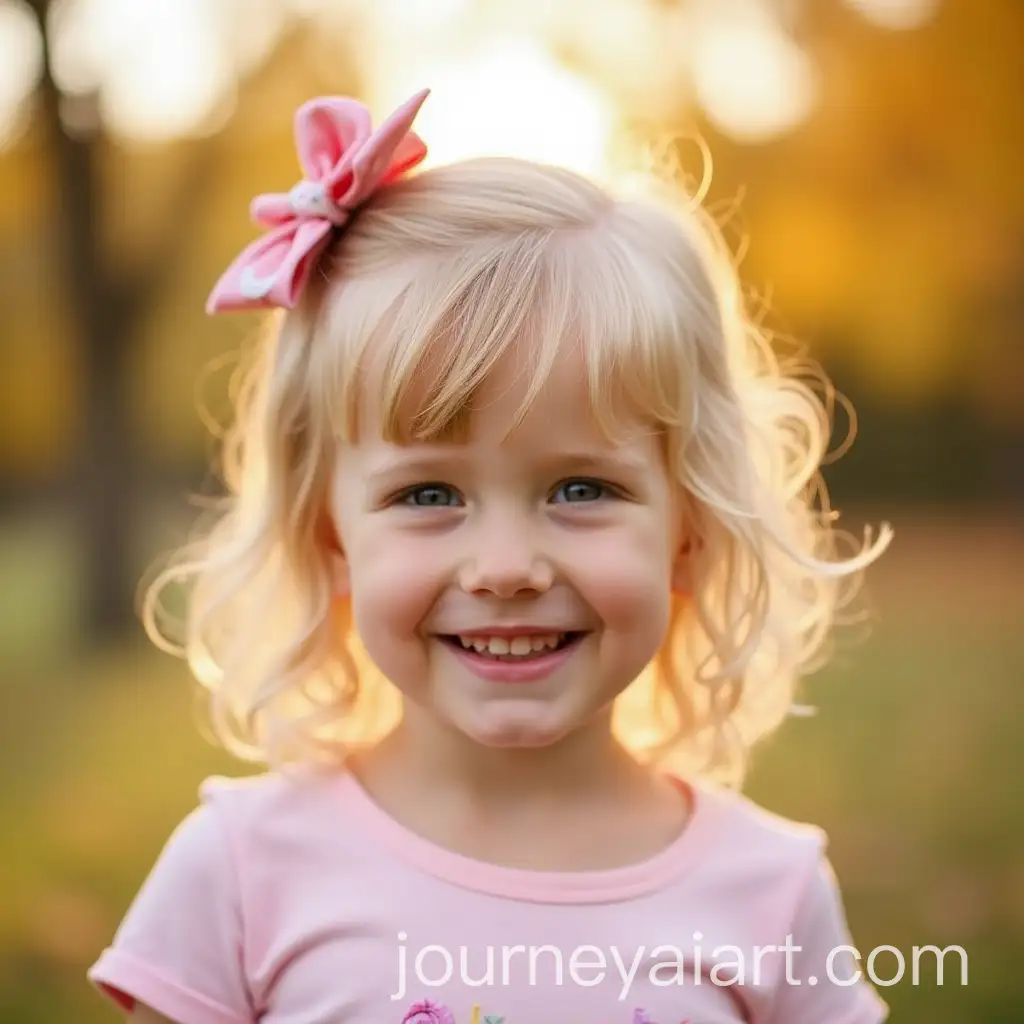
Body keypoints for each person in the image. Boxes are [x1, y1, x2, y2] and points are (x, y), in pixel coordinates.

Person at [87, 87, 893, 1023]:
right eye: (429, 495)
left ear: (692, 526)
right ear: (329, 536)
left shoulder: (771, 896)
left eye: (581, 489)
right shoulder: (239, 873)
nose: (506, 567)